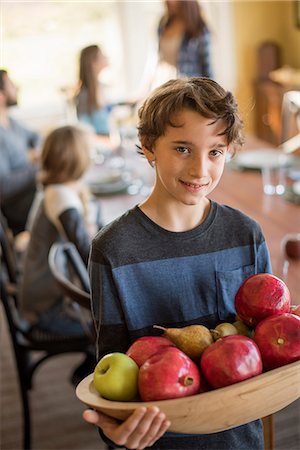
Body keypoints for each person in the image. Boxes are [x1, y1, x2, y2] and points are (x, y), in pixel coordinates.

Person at [83, 77, 272, 449]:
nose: (200, 170)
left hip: (240, 437)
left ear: (229, 151)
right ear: (148, 146)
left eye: (215, 152)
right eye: (183, 149)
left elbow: (263, 350)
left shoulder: (245, 235)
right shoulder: (113, 250)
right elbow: (112, 373)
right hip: (161, 439)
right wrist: (114, 431)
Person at [20, 124, 101, 337]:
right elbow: (88, 252)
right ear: (79, 160)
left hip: (44, 297)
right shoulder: (61, 197)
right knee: (118, 328)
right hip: (48, 308)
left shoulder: (59, 188)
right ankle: (86, 369)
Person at [0, 69, 41, 235]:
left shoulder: (10, 122)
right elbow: (3, 186)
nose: (16, 88)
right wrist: (37, 167)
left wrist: (36, 152)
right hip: (16, 205)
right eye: (11, 85)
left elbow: (35, 136)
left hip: (32, 190)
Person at [158, 0, 213, 78]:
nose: (170, 2)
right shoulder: (163, 24)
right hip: (163, 83)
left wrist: (211, 89)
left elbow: (207, 69)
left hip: (187, 87)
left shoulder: (199, 29)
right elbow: (158, 59)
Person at [74, 45, 110, 136]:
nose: (106, 57)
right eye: (102, 55)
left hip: (107, 139)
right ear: (93, 63)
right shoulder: (83, 94)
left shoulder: (100, 86)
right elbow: (85, 132)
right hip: (100, 144)